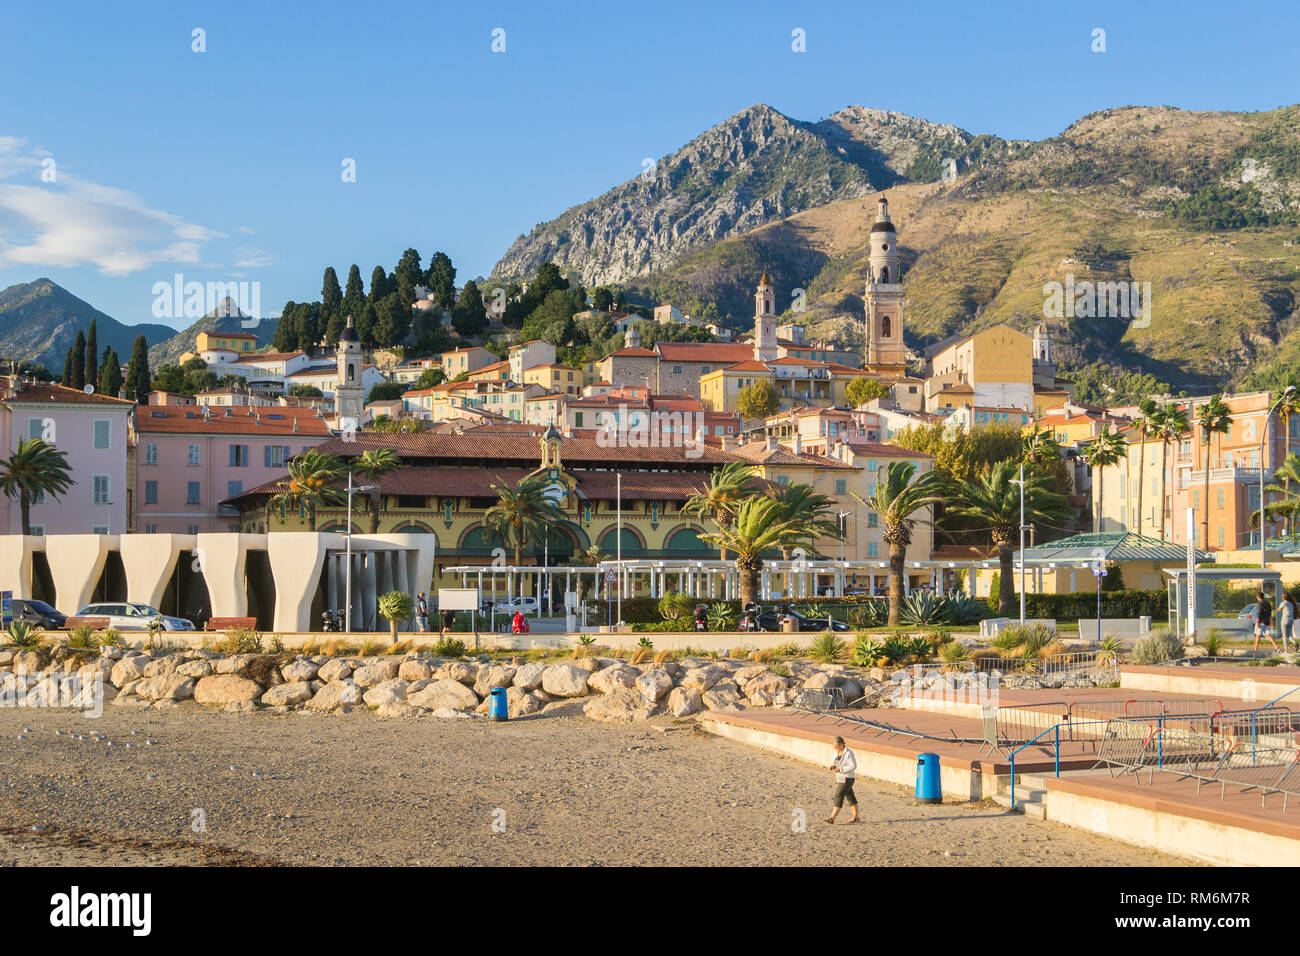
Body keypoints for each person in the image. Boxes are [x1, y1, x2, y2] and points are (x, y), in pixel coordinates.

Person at [825, 735, 859, 824]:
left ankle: (832, 818)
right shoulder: (836, 752)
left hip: (848, 778)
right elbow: (835, 762)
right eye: (834, 747)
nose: (835, 749)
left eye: (836, 747)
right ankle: (856, 817)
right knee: (850, 797)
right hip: (840, 777)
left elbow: (853, 766)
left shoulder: (849, 753)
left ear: (841, 744)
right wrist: (832, 767)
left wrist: (841, 769)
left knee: (838, 795)